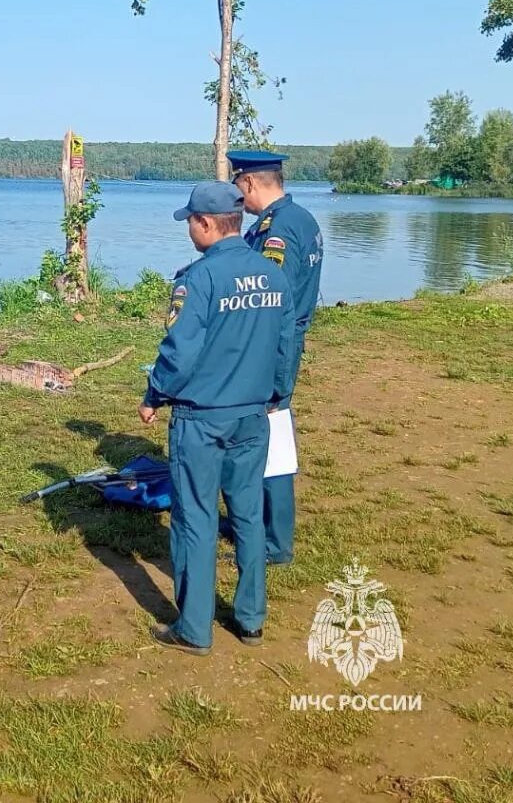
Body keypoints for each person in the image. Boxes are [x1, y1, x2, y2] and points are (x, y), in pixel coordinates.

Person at [140, 180, 294, 654]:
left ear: (206, 224)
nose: (188, 228)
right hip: (254, 414)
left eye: (190, 221)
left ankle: (194, 627)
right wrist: (278, 393)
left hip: (201, 418)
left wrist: (154, 393)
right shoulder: (273, 275)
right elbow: (287, 344)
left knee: (196, 518)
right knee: (248, 515)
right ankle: (251, 619)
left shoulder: (199, 279)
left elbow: (180, 351)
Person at [227, 148, 324, 566]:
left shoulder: (279, 230)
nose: (237, 199)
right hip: (283, 340)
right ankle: (255, 523)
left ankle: (274, 541)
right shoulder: (301, 218)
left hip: (272, 346)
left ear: (248, 182)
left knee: (270, 437)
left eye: (237, 187)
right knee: (262, 433)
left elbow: (267, 298)